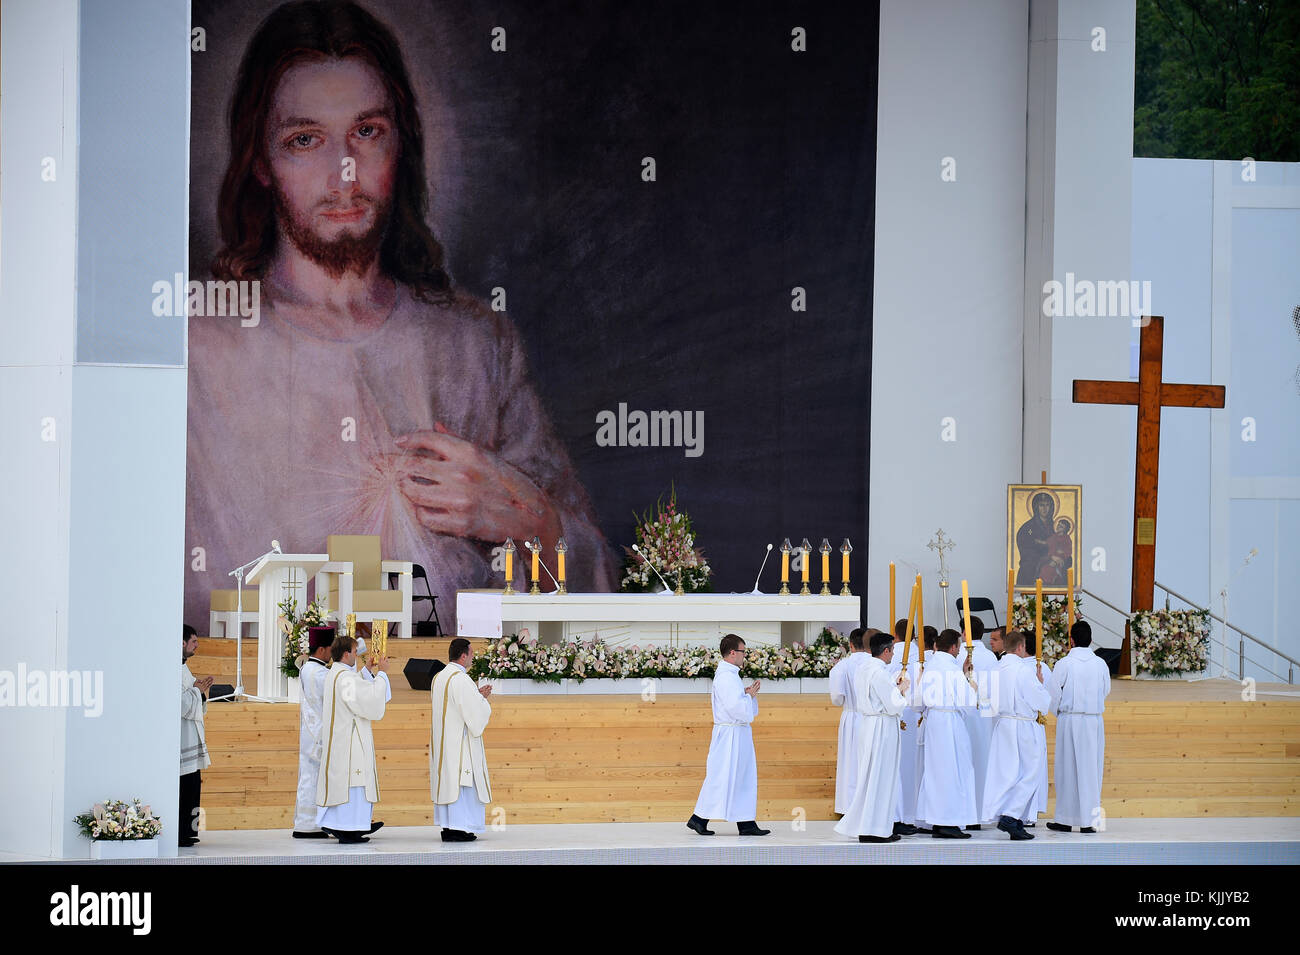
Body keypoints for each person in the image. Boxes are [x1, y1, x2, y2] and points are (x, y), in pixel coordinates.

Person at [185, 0, 617, 634]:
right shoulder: (195, 348)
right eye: (305, 140)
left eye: (367, 132)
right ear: (260, 162)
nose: (345, 173)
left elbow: (597, 599)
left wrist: (528, 519)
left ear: (400, 142)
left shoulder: (475, 345)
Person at [688, 634, 769, 836]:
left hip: (735, 734)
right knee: (721, 778)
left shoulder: (730, 676)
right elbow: (736, 709)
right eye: (743, 652)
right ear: (733, 653)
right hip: (730, 736)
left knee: (740, 778)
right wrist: (749, 696)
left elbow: (736, 703)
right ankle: (699, 818)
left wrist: (746, 694)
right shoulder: (726, 677)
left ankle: (745, 823)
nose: (744, 656)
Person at [834, 631, 912, 843]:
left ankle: (873, 826)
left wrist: (894, 689)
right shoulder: (878, 672)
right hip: (881, 727)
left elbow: (880, 696)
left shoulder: (865, 669)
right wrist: (902, 690)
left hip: (869, 724)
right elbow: (892, 704)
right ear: (885, 651)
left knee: (871, 778)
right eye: (893, 650)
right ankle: (875, 829)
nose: (893, 654)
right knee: (880, 778)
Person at [316, 633, 390, 843]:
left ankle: (356, 824)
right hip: (350, 741)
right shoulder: (345, 678)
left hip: (342, 739)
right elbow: (366, 701)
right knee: (354, 784)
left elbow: (355, 688)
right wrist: (382, 675)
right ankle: (350, 828)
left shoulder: (337, 674)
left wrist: (367, 670)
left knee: (351, 784)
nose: (357, 656)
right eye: (356, 652)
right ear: (346, 653)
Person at [981, 630, 1051, 840]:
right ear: (1021, 647)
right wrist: (1040, 683)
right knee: (1030, 772)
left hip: (1002, 725)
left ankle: (1014, 818)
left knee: (1007, 773)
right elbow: (1040, 703)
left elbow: (985, 703)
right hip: (1023, 725)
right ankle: (1011, 816)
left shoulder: (995, 668)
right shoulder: (1023, 671)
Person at [1048, 621, 1112, 834]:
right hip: (1093, 721)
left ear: (1071, 640)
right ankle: (1091, 822)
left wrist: (1060, 712)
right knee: (1091, 771)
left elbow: (1054, 693)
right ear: (1091, 640)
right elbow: (1106, 690)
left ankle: (1065, 820)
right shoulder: (1101, 664)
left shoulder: (1065, 664)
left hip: (1071, 719)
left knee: (1067, 771)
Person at [914, 629, 978, 838]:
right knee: (954, 772)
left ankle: (937, 821)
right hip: (950, 723)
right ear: (953, 647)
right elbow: (968, 703)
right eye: (959, 647)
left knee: (935, 772)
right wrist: (968, 677)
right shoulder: (952, 671)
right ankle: (948, 822)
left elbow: (916, 703)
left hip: (934, 722)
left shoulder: (930, 667)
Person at [429, 638, 494, 842]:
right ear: (463, 655)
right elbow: (474, 716)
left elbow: (457, 705)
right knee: (462, 785)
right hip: (460, 744)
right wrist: (482, 700)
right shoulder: (461, 679)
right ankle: (459, 827)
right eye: (471, 654)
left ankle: (449, 827)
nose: (472, 658)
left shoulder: (439, 677)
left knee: (450, 783)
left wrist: (476, 695)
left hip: (444, 743)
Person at [292, 625, 335, 838]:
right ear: (322, 650)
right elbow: (338, 694)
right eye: (330, 649)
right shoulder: (320, 673)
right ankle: (310, 824)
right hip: (320, 731)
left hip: (310, 730)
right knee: (315, 777)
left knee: (309, 776)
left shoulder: (307, 668)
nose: (331, 653)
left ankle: (306, 821)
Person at [956, 616, 999, 828]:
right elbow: (996, 690)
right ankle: (981, 813)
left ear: (964, 633)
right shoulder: (991, 657)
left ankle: (964, 813)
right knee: (982, 763)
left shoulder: (958, 655)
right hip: (986, 715)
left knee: (963, 763)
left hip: (963, 716)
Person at [829, 628, 870, 814]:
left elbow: (837, 698)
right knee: (868, 762)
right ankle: (868, 806)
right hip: (870, 716)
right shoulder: (875, 663)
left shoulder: (842, 667)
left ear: (850, 645)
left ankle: (849, 806)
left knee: (850, 762)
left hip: (852, 715)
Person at [886, 617, 920, 836]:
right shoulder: (922, 656)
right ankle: (912, 814)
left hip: (898, 711)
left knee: (898, 767)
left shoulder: (891, 655)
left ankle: (897, 815)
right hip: (917, 714)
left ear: (895, 635)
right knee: (914, 766)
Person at [180, 625, 213, 848]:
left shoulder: (183, 668)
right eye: (193, 642)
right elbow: (180, 704)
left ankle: (190, 830)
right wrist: (198, 691)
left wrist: (199, 691)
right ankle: (181, 833)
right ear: (182, 643)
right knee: (184, 787)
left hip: (191, 734)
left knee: (193, 785)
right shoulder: (171, 669)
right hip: (181, 735)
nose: (197, 646)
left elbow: (191, 698)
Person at [1022, 629, 1060, 822]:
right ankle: (1032, 809)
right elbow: (1052, 697)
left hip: (1020, 722)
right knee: (1033, 766)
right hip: (1035, 723)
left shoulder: (1018, 667)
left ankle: (1020, 811)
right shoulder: (1042, 668)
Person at [1016, 491, 1057, 586]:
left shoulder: (1056, 526)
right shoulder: (1027, 528)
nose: (1045, 509)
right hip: (1032, 570)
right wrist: (1048, 557)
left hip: (1052, 567)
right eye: (1041, 505)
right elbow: (1026, 552)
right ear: (1036, 507)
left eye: (1047, 505)